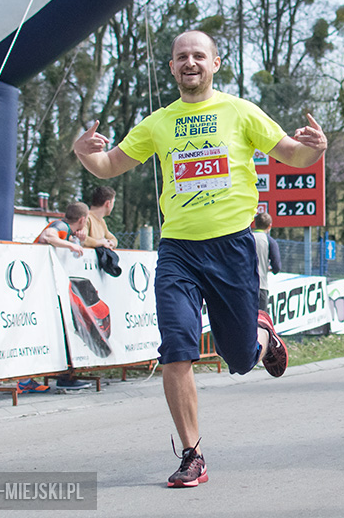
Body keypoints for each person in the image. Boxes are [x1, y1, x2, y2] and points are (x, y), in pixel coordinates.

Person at [72, 30, 327, 487]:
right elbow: (110, 166)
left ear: (215, 63)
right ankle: (192, 454)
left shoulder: (240, 111)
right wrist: (84, 155)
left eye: (198, 56)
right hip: (178, 251)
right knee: (176, 351)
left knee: (239, 358)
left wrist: (316, 148)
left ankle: (262, 336)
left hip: (231, 247)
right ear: (171, 68)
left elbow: (293, 154)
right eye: (181, 57)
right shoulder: (158, 122)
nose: (189, 63)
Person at [25, 202, 93, 392]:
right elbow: (48, 236)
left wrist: (77, 241)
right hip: (38, 286)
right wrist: (72, 244)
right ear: (82, 219)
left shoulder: (68, 231)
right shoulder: (61, 227)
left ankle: (63, 375)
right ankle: (28, 379)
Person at [252, 212, 281, 313]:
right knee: (260, 320)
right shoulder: (270, 241)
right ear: (270, 226)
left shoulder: (247, 238)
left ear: (255, 224)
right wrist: (270, 268)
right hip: (261, 286)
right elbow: (277, 267)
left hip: (244, 287)